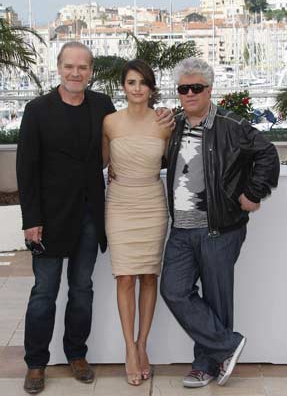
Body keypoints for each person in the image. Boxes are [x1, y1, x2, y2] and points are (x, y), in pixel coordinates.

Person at [17, 43, 173, 394]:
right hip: (49, 218)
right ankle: (36, 363)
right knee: (44, 291)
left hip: (90, 215)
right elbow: (25, 169)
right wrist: (31, 219)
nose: (76, 73)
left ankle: (76, 355)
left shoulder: (102, 107)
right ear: (58, 68)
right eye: (70, 66)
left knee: (82, 289)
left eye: (83, 67)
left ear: (90, 71)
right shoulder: (37, 109)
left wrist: (163, 118)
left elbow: (128, 135)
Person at [160, 57, 280, 388]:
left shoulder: (230, 124)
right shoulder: (176, 125)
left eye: (196, 88)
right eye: (183, 89)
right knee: (173, 289)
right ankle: (227, 345)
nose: (189, 94)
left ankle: (205, 366)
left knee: (216, 298)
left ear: (209, 89)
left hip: (219, 228)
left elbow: (268, 154)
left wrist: (253, 193)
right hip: (181, 229)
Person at [102, 59, 171, 386]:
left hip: (152, 204)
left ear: (151, 88)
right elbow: (102, 163)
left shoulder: (165, 123)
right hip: (119, 204)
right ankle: (129, 348)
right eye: (132, 82)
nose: (138, 88)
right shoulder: (109, 123)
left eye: (143, 82)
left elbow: (175, 162)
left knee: (148, 275)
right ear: (124, 87)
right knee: (125, 277)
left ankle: (143, 345)